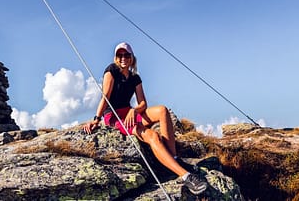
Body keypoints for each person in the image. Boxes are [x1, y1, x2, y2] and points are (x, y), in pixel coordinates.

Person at [83, 42, 207, 195]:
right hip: (114, 116)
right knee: (152, 135)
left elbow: (143, 103)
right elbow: (105, 97)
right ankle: (186, 176)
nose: (123, 58)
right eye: (120, 55)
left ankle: (173, 158)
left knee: (162, 110)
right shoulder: (111, 71)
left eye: (126, 55)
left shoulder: (135, 77)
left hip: (129, 112)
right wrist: (96, 119)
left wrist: (134, 111)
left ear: (132, 58)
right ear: (116, 57)